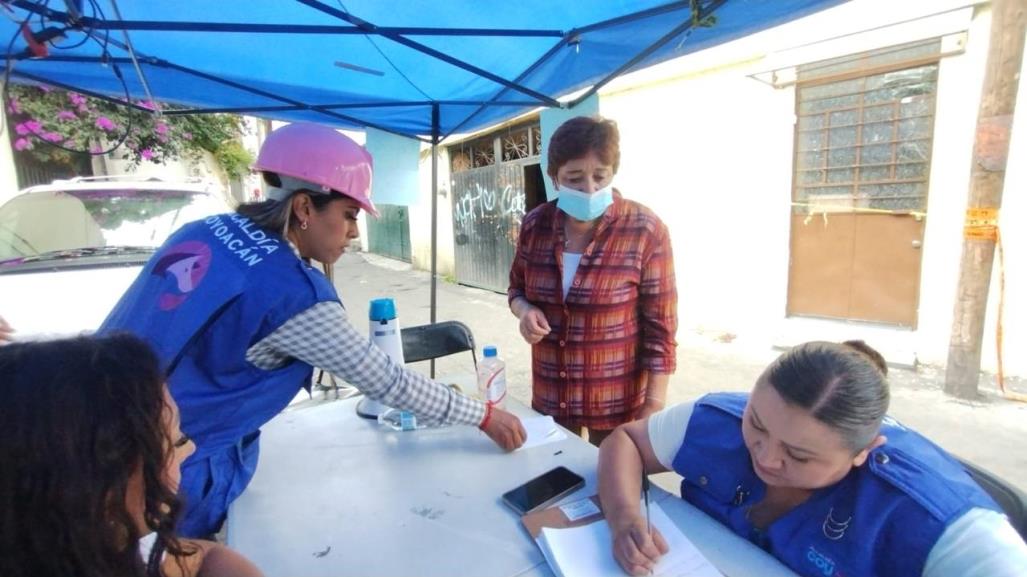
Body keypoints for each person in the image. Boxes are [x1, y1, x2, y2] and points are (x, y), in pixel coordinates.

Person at [100, 122, 526, 538]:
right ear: (305, 208)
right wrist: (484, 415)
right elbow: (388, 382)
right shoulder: (291, 295)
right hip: (173, 470)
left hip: (100, 435)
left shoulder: (202, 231)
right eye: (349, 214)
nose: (355, 232)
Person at [597, 340, 1027, 577]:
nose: (765, 457)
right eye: (758, 425)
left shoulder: (941, 524)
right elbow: (627, 442)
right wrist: (625, 518)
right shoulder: (721, 417)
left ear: (863, 453)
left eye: (798, 455)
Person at [0, 334, 263, 577]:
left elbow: (195, 556)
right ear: (93, 483)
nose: (189, 449)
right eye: (173, 441)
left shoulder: (97, 545)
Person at [508, 115, 677, 446]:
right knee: (556, 486)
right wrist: (524, 310)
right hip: (552, 397)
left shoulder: (645, 230)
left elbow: (661, 331)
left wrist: (652, 408)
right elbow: (516, 288)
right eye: (574, 178)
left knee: (609, 490)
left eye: (600, 177)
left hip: (615, 404)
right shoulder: (535, 226)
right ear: (554, 178)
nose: (589, 189)